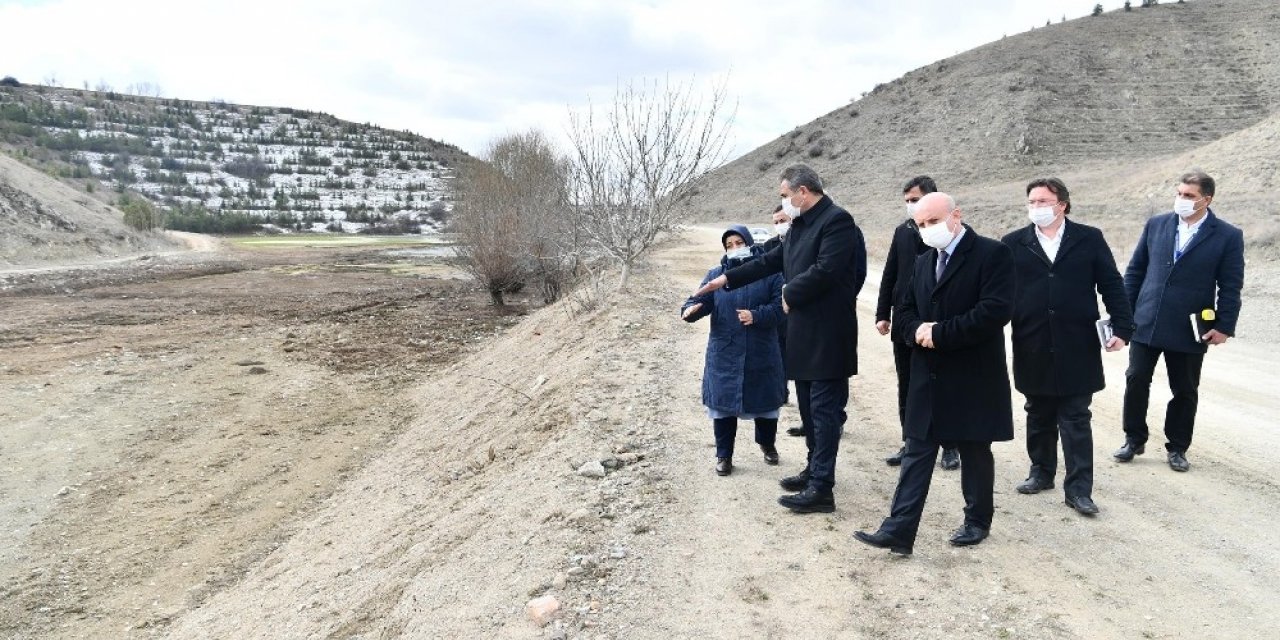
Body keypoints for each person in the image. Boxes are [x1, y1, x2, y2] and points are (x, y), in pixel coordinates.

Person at [693, 164, 867, 513]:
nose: (783, 203)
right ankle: (813, 469)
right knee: (806, 406)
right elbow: (769, 261)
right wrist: (725, 280)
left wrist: (790, 292)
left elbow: (827, 270)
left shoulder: (837, 221)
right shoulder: (800, 226)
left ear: (804, 192)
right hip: (802, 333)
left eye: (785, 196)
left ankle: (822, 489)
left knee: (824, 411)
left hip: (829, 333)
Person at [854, 192, 1014, 555]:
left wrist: (939, 332)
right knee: (917, 450)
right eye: (921, 225)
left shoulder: (992, 254)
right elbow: (906, 306)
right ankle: (899, 530)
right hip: (928, 373)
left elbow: (994, 312)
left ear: (955, 215)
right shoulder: (924, 261)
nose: (927, 230)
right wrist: (914, 331)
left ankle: (977, 520)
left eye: (933, 222)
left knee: (974, 451)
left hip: (973, 375)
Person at [1001, 178, 1134, 516]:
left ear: (1062, 204)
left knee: (1076, 417)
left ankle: (1078, 490)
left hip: (1077, 343)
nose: (1036, 207)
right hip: (1032, 342)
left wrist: (1122, 326)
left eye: (1043, 201)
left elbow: (1111, 284)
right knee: (1038, 412)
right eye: (1032, 201)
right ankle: (1041, 472)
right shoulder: (1014, 243)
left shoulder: (1088, 238)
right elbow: (998, 294)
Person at [1116, 171, 1244, 472]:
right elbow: (1135, 272)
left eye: (1189, 195)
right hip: (1147, 321)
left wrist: (1224, 326)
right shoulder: (1157, 224)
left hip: (1189, 327)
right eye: (1179, 193)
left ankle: (1177, 448)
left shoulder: (1227, 235)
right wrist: (1124, 315)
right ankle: (1133, 439)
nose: (1182, 200)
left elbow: (1230, 285)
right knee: (1136, 380)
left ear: (1206, 199)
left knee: (1184, 389)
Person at [681, 225, 785, 475]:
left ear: (749, 242)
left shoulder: (770, 273)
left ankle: (767, 444)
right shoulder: (716, 274)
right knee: (723, 406)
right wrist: (690, 310)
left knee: (765, 404)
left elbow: (781, 308)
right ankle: (724, 455)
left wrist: (756, 315)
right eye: (729, 245)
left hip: (761, 350)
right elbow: (699, 300)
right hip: (724, 351)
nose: (735, 248)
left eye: (739, 243)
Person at [875, 176, 960, 471]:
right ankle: (910, 441)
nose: (911, 205)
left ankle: (950, 445)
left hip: (939, 322)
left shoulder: (946, 233)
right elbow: (890, 273)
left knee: (943, 383)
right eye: (907, 201)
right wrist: (883, 313)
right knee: (907, 384)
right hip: (905, 322)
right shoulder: (902, 232)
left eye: (916, 199)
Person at [760, 204, 809, 439]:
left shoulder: (806, 243)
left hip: (801, 312)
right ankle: (782, 393)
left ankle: (817, 419)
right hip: (776, 313)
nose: (780, 224)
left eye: (783, 219)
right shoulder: (769, 247)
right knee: (778, 355)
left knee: (804, 367)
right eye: (776, 220)